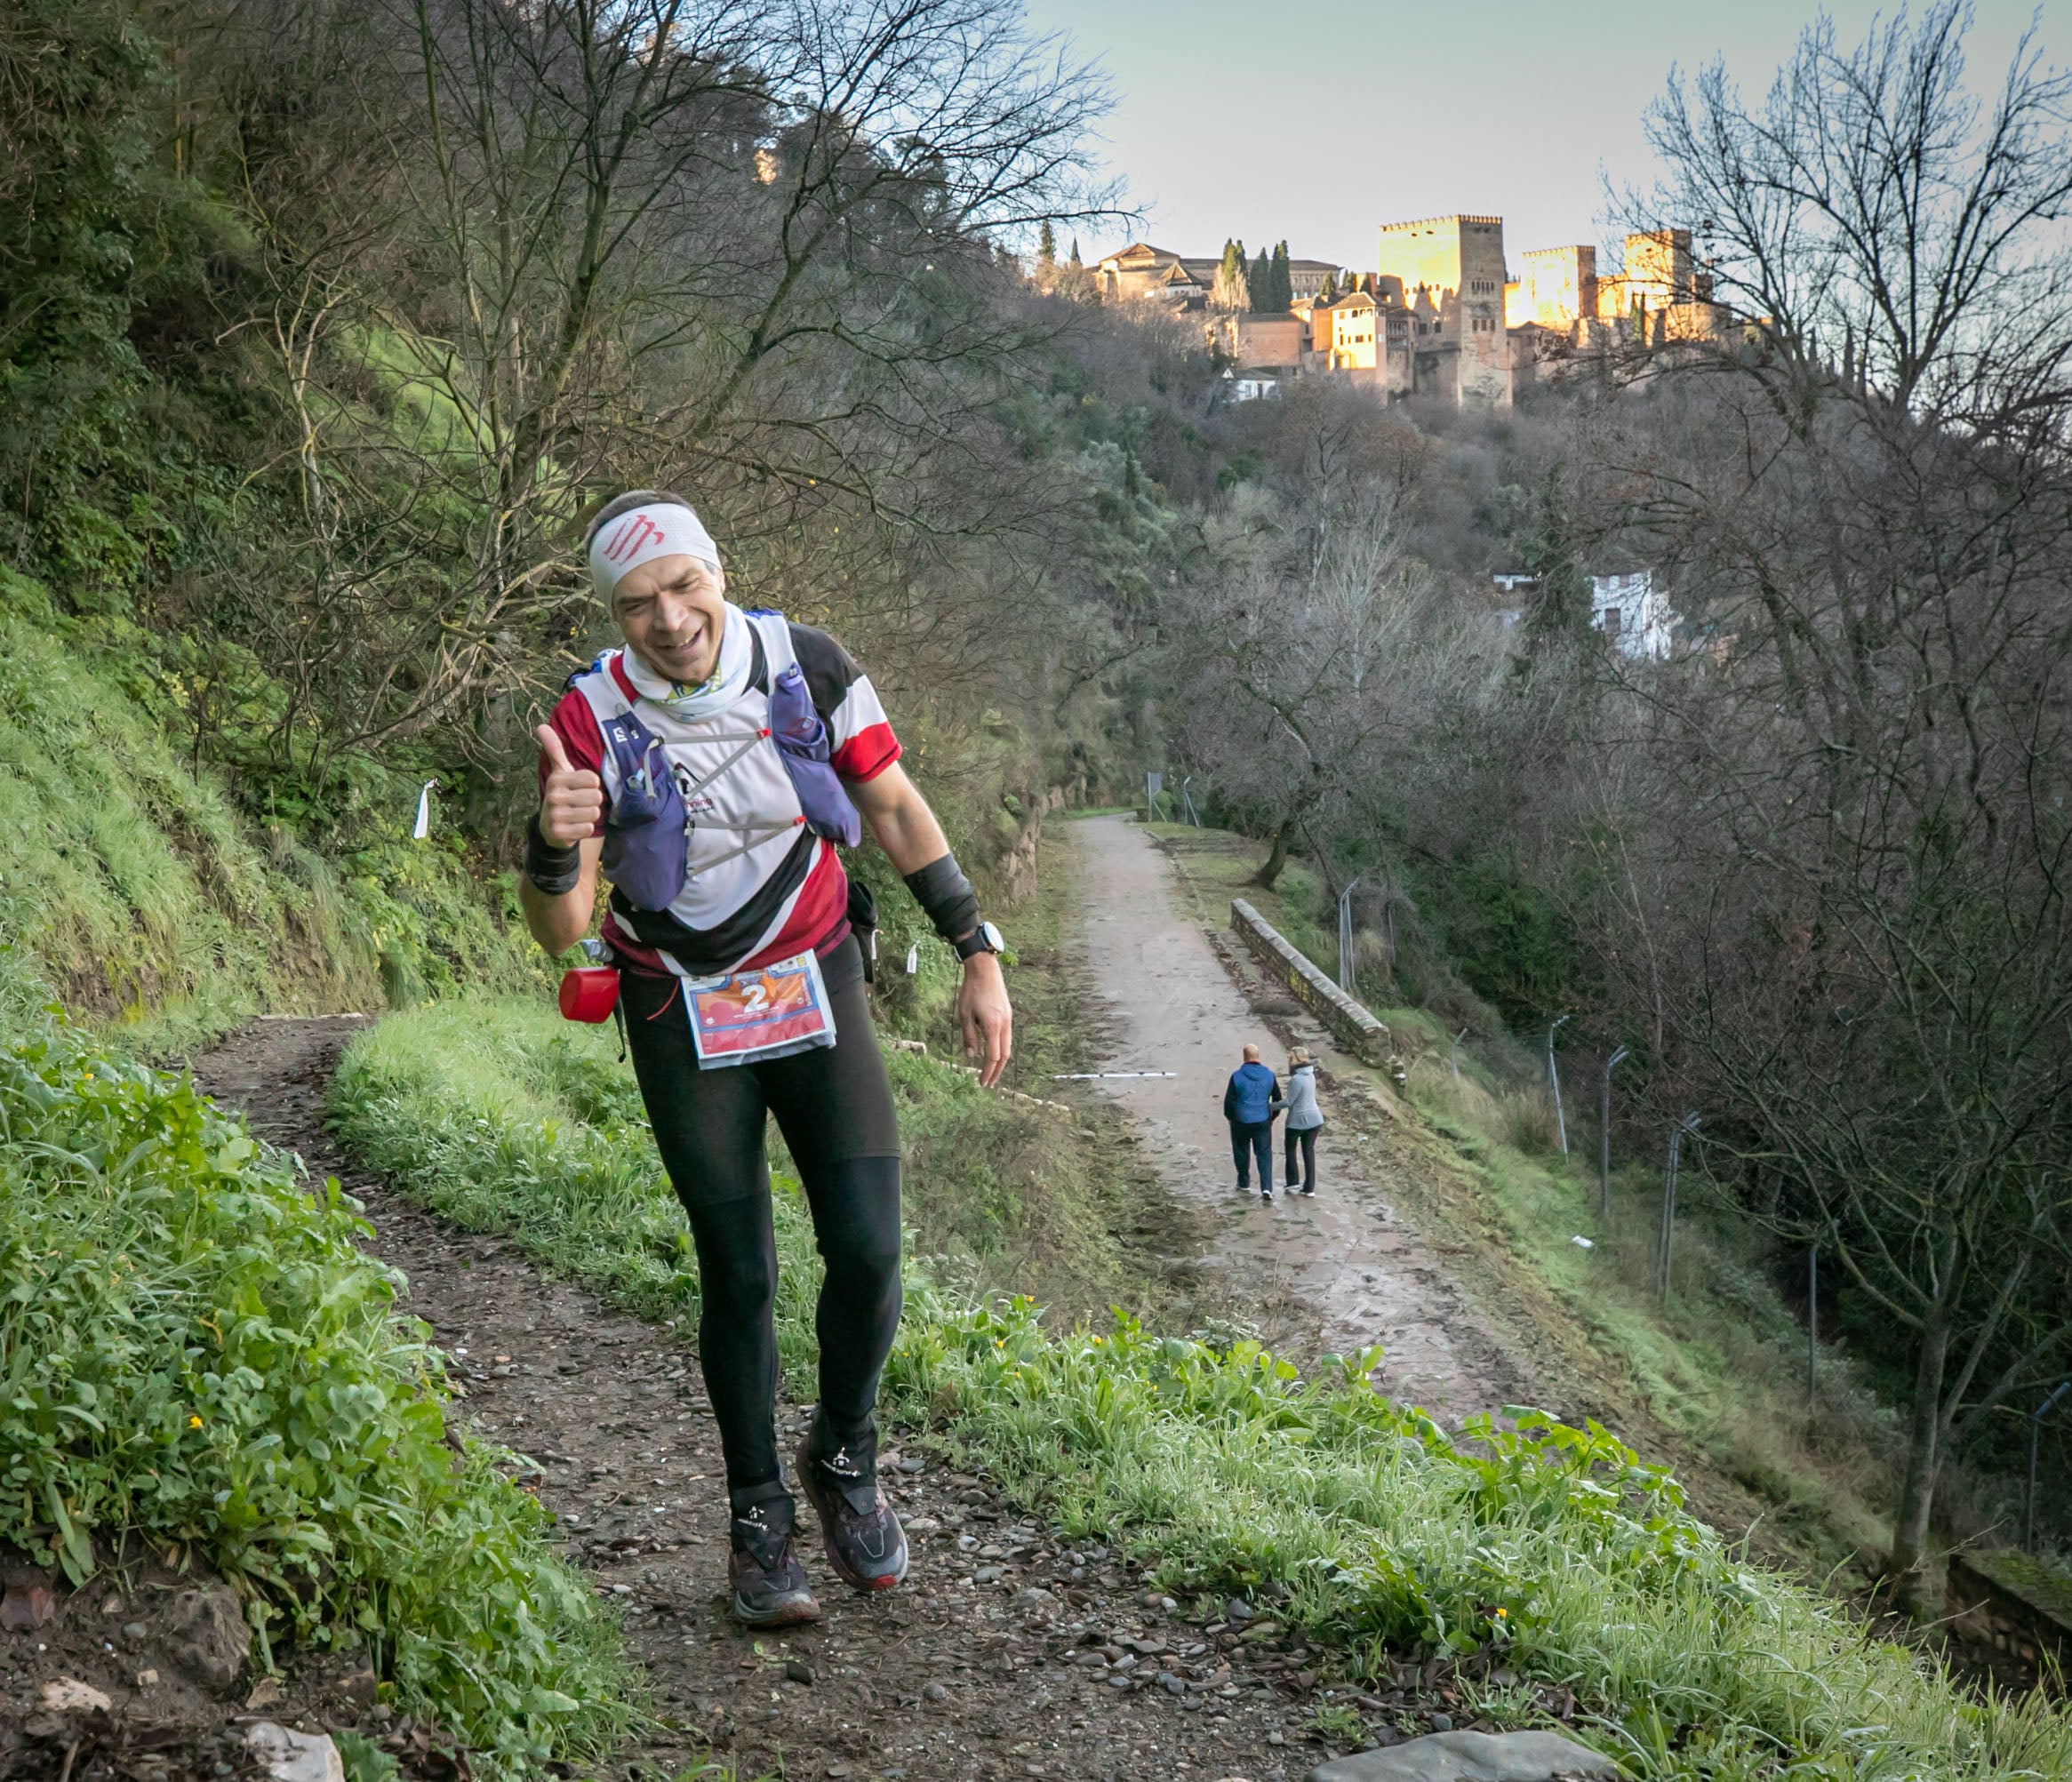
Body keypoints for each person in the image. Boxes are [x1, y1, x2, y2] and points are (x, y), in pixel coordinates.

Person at [521, 491, 1013, 1630]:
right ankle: (757, 1517)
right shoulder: (587, 719)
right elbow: (562, 931)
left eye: (686, 586)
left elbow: (889, 803)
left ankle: (842, 1452)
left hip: (813, 968)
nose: (671, 618)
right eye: (638, 602)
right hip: (677, 999)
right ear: (613, 613)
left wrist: (975, 950)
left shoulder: (808, 662)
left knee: (871, 1247)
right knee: (738, 1270)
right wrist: (555, 843)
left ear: (718, 570)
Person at [1222, 1043, 1283, 1203]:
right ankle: (1267, 1187)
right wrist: (1272, 1117)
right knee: (1264, 1154)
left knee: (1241, 1151)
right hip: (1262, 1120)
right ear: (1258, 1056)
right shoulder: (1269, 1075)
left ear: (1244, 1057)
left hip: (1241, 1121)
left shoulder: (1236, 1076)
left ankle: (1244, 1182)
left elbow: (1228, 1102)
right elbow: (1277, 1099)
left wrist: (1231, 1118)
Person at [1283, 1047, 1323, 1195]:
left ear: (1299, 1060)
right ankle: (1309, 1188)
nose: (1289, 1061)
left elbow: (1288, 1102)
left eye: (1291, 1058)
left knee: (1290, 1149)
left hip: (1297, 1121)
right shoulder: (1311, 1075)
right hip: (1315, 1119)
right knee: (1309, 1151)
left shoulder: (1296, 1079)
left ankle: (1293, 1181)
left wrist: (1269, 1106)